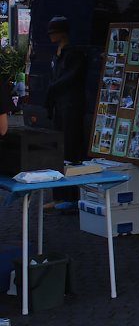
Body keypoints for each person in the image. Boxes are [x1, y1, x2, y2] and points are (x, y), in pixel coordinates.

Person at [45, 16, 87, 206]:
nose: (51, 36)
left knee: (70, 152)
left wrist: (51, 90)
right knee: (59, 151)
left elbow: (68, 79)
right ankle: (59, 195)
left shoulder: (73, 54)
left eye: (54, 32)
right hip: (60, 107)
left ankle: (70, 196)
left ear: (62, 33)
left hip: (70, 108)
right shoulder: (59, 53)